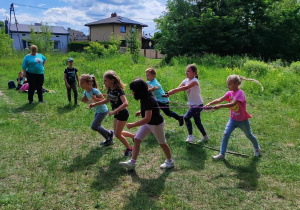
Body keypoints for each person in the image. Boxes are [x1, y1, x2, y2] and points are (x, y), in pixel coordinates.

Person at [119, 78, 175, 170]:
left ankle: (170, 161)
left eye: (133, 90)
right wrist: (141, 111)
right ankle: (132, 163)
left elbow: (147, 118)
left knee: (162, 143)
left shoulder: (148, 100)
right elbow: (148, 111)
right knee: (137, 139)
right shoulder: (145, 96)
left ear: (138, 91)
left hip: (156, 124)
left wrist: (133, 124)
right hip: (149, 123)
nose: (132, 92)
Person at [205, 75, 263, 160]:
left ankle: (257, 148)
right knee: (226, 134)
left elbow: (232, 104)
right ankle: (222, 154)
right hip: (233, 119)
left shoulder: (240, 93)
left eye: (230, 84)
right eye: (227, 84)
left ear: (236, 84)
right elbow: (220, 99)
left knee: (249, 135)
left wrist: (220, 106)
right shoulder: (230, 93)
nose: (228, 86)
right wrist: (210, 104)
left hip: (243, 120)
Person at [89, 70, 133, 156]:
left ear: (112, 80)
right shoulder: (110, 89)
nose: (104, 82)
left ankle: (130, 149)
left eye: (105, 80)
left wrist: (114, 111)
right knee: (117, 132)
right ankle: (134, 136)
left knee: (117, 134)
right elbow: (106, 100)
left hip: (123, 114)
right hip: (116, 114)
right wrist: (95, 104)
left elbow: (125, 103)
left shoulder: (119, 90)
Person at [164, 64, 209, 143]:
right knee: (197, 122)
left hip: (198, 105)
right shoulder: (185, 80)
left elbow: (185, 88)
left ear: (194, 73)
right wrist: (168, 93)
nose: (186, 73)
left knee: (186, 117)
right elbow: (178, 88)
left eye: (188, 71)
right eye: (186, 71)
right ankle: (205, 136)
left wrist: (170, 92)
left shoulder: (195, 81)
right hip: (193, 105)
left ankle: (190, 136)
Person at [80, 74, 113, 145]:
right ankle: (108, 139)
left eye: (82, 83)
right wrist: (85, 100)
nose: (80, 84)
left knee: (94, 126)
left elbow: (103, 99)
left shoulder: (95, 91)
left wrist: (96, 99)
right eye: (80, 83)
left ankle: (110, 133)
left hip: (103, 110)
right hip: (97, 111)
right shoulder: (85, 92)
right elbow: (89, 101)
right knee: (97, 126)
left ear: (89, 83)